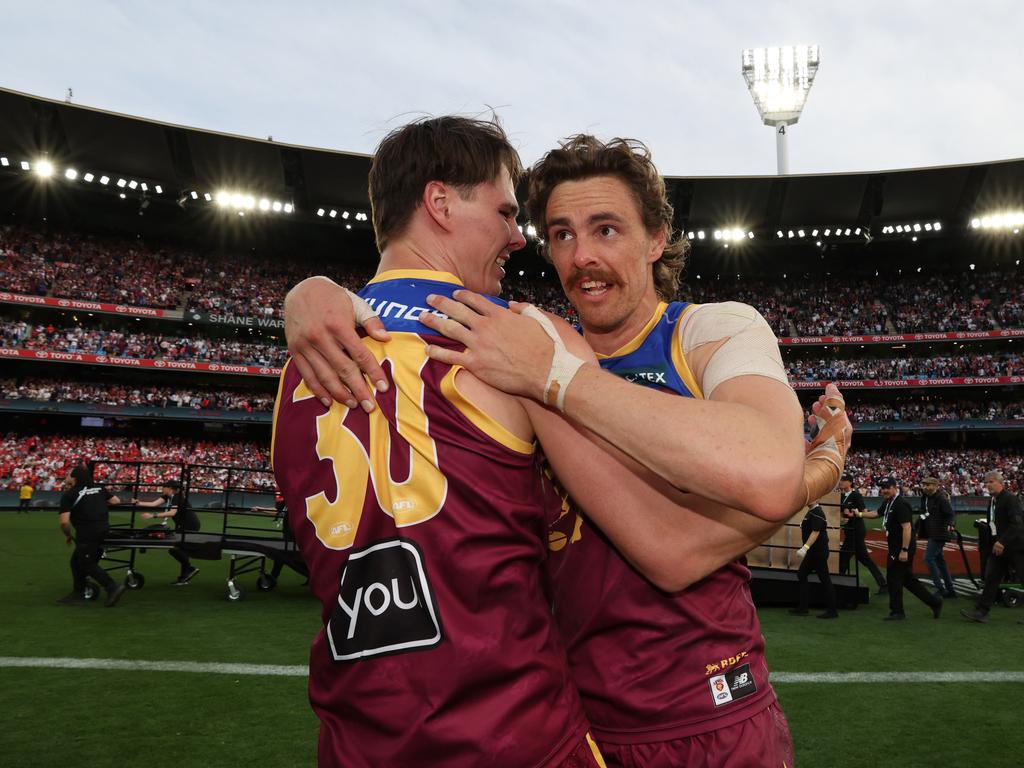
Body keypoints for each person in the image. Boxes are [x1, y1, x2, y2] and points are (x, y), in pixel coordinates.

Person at [283, 132, 852, 768]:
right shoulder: (517, 347)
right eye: (560, 233)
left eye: (606, 229)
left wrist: (558, 376)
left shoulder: (707, 331)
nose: (580, 256)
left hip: (701, 711)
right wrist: (311, 291)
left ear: (657, 239)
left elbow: (751, 481)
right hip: (571, 718)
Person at [56, 464, 127, 607]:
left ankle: (112, 587)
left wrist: (68, 535)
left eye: (69, 474)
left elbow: (64, 523)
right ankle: (78, 592)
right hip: (104, 529)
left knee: (86, 563)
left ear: (75, 478)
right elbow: (116, 501)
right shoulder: (100, 488)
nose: (67, 477)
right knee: (76, 561)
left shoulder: (70, 495)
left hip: (87, 532)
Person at [960, 471, 1024, 624]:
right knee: (991, 578)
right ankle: (981, 611)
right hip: (1000, 547)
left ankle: (982, 610)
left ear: (1000, 482)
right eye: (986, 482)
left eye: (991, 482)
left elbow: (1017, 524)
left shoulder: (1010, 499)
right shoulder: (993, 501)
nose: (987, 485)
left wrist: (1002, 542)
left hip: (1016, 547)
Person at [878, 476, 942, 621]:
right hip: (896, 546)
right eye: (882, 488)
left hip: (902, 548)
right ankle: (934, 602)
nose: (884, 490)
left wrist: (904, 550)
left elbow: (907, 528)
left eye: (887, 487)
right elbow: (877, 513)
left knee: (894, 578)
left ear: (895, 487)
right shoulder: (888, 503)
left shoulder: (901, 504)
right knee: (907, 579)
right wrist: (859, 514)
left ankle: (897, 611)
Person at [134, 480, 200, 585]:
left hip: (189, 526)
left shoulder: (177, 497)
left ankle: (189, 569)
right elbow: (153, 504)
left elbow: (173, 513)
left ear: (169, 488)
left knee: (175, 549)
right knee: (180, 549)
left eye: (163, 487)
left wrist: (153, 516)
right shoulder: (167, 496)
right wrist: (139, 502)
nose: (162, 489)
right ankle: (184, 576)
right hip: (182, 526)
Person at [838, 472, 887, 594]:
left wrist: (854, 514)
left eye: (843, 480)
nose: (841, 482)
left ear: (850, 482)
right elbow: (841, 514)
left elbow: (863, 511)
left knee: (843, 556)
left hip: (857, 530)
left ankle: (838, 583)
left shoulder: (856, 495)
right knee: (864, 559)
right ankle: (883, 583)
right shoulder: (842, 496)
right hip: (849, 530)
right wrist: (842, 519)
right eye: (841, 480)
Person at [789, 500, 838, 618]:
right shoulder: (812, 512)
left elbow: (815, 532)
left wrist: (805, 548)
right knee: (803, 574)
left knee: (822, 578)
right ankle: (804, 607)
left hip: (818, 552)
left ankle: (831, 610)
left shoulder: (817, 512)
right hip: (814, 552)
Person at [919, 476, 956, 598]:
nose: (925, 487)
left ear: (935, 486)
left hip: (940, 532)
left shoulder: (941, 499)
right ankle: (950, 590)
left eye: (928, 485)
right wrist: (916, 526)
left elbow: (950, 514)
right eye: (924, 485)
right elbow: (924, 514)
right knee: (940, 561)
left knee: (928, 558)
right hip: (933, 532)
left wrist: (951, 524)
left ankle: (940, 588)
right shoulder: (926, 498)